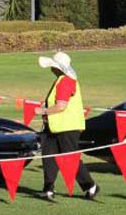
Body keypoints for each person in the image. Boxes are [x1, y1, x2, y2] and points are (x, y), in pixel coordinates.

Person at [37, 51, 97, 201]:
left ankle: (90, 186)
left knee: (70, 159)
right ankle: (48, 189)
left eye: (53, 66)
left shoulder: (65, 81)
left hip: (67, 127)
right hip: (54, 126)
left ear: (57, 67)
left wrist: (42, 111)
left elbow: (61, 106)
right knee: (48, 157)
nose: (51, 68)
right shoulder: (61, 80)